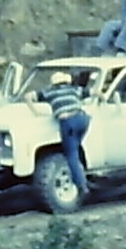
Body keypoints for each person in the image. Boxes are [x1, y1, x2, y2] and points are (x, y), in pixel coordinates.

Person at [39, 69, 92, 202]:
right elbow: (95, 93)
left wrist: (35, 110)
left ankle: (82, 185)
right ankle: (81, 174)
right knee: (76, 147)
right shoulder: (75, 90)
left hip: (68, 121)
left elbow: (29, 96)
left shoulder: (49, 92)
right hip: (83, 119)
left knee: (71, 155)